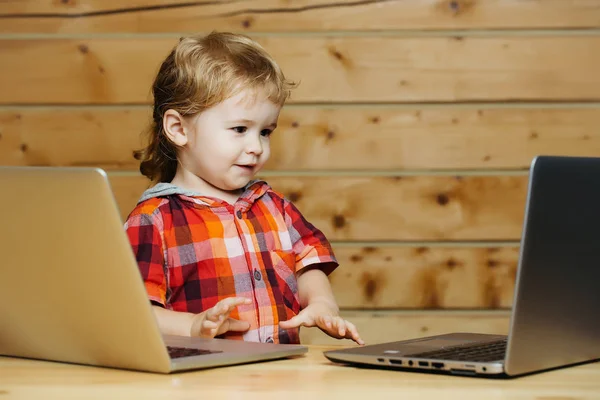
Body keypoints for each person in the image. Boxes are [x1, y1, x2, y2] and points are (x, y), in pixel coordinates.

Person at [124, 31, 363, 345]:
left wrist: (321, 303)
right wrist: (194, 326)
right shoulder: (153, 220)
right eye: (240, 129)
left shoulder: (273, 206)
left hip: (283, 378)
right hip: (203, 384)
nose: (256, 147)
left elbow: (309, 262)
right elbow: (136, 312)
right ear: (179, 129)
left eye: (265, 131)